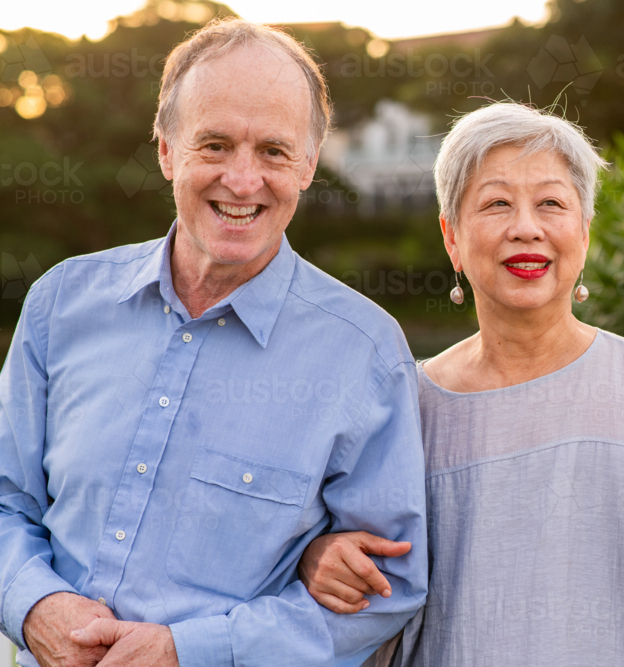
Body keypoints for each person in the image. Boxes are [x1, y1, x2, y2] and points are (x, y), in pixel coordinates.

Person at [0, 18, 427, 667]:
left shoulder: (364, 353)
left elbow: (387, 590)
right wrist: (35, 607)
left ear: (310, 164)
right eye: (216, 144)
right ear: (168, 149)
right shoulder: (61, 303)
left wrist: (191, 651)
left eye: (275, 152)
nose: (243, 180)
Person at [298, 101, 624, 666]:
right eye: (496, 203)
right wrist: (316, 557)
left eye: (551, 203)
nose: (527, 228)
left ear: (585, 231)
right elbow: (350, 581)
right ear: (452, 237)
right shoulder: (405, 406)